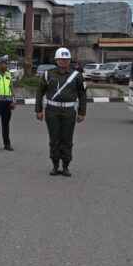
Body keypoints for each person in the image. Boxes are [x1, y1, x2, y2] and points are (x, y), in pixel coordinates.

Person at [35, 47, 87, 177]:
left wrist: (82, 112)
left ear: (70, 60)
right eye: (62, 59)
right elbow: (40, 92)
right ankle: (55, 165)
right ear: (56, 60)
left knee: (67, 139)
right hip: (52, 110)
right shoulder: (48, 74)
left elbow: (82, 95)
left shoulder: (77, 76)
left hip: (69, 111)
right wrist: (38, 110)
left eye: (67, 59)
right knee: (54, 139)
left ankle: (65, 166)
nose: (64, 61)